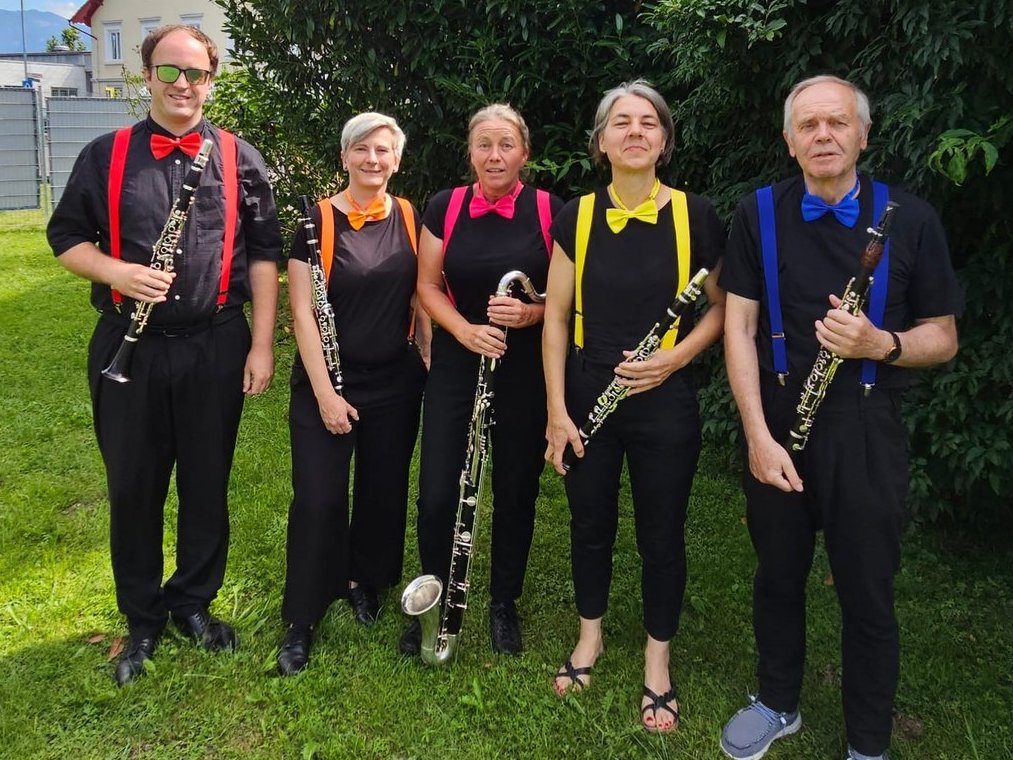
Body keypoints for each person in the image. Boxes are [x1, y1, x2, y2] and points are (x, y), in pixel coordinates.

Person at [718, 75, 961, 760]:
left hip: (865, 427)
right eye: (808, 125)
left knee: (867, 591)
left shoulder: (911, 219)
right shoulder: (756, 214)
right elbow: (738, 328)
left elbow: (943, 337)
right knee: (776, 576)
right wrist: (756, 435)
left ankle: (866, 742)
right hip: (777, 423)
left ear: (862, 135)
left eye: (837, 123)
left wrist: (880, 344)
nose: (823, 135)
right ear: (789, 141)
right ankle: (777, 702)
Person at [46, 25, 281, 686]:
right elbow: (66, 238)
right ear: (147, 75)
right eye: (170, 70)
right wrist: (117, 272)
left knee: (207, 482)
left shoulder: (240, 157)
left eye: (196, 73)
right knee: (134, 487)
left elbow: (264, 255)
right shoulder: (105, 154)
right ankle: (143, 618)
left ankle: (193, 603)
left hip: (216, 343)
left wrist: (261, 344)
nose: (183, 84)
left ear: (211, 79)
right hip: (130, 348)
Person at [543, 79, 726, 733]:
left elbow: (722, 311)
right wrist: (556, 411)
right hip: (588, 389)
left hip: (664, 395)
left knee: (662, 533)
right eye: (621, 122)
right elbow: (554, 318)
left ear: (665, 141)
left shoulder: (696, 214)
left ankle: (657, 659)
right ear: (600, 143)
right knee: (589, 522)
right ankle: (589, 636)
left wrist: (674, 360)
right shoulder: (576, 215)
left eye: (649, 122)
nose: (635, 132)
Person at [400, 103, 563, 657]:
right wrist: (465, 331)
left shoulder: (549, 209)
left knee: (516, 489)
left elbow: (565, 297)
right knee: (437, 490)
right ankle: (434, 593)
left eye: (506, 145)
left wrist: (531, 315)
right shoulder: (445, 206)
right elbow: (426, 286)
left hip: (522, 369)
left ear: (524, 153)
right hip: (456, 361)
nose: (495, 156)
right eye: (484, 145)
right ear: (470, 153)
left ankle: (503, 603)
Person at [277, 112, 428, 675]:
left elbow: (420, 294)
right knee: (318, 498)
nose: (372, 159)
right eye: (361, 149)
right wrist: (324, 395)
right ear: (344, 157)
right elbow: (302, 314)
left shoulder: (409, 214)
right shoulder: (315, 222)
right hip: (328, 381)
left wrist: (428, 354)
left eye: (383, 150)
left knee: (383, 491)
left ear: (397, 160)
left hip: (394, 380)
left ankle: (366, 579)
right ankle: (302, 616)